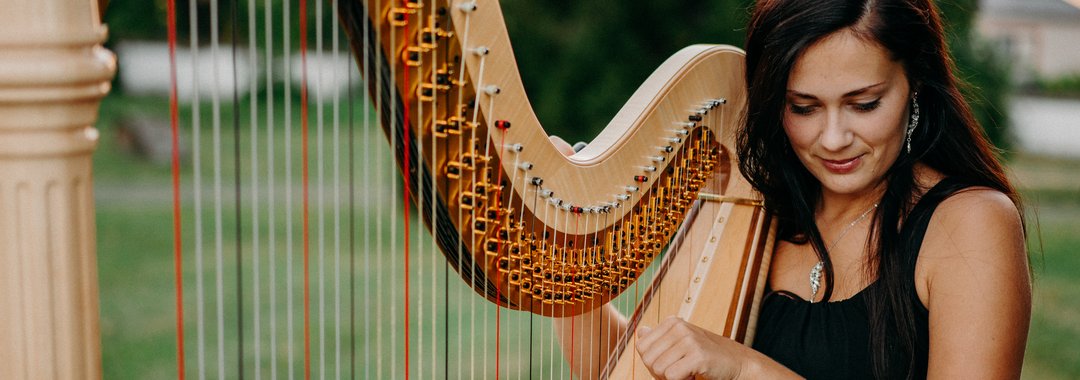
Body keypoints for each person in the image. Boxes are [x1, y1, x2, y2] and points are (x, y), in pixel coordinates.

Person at [552, 0, 1031, 378]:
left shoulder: (970, 222)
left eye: (863, 104)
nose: (834, 138)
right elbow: (630, 370)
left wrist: (745, 368)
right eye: (804, 108)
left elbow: (725, 364)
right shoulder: (759, 204)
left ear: (916, 84)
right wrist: (566, 260)